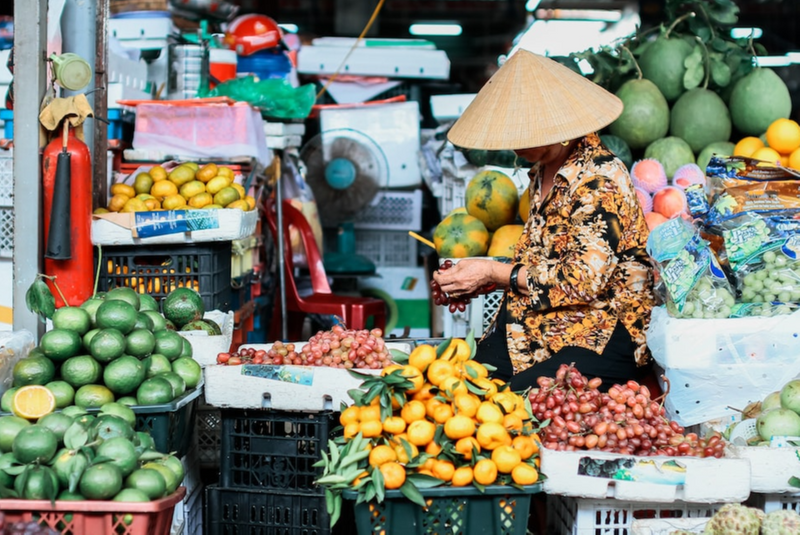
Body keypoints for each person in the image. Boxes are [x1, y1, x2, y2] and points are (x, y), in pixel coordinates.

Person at [433, 49, 656, 392]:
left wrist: (494, 271)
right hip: (539, 319)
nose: (515, 146)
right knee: (459, 389)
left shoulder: (600, 180)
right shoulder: (542, 170)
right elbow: (547, 258)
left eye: (526, 134)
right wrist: (483, 278)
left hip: (602, 328)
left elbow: (581, 282)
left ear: (562, 130)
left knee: (513, 405)